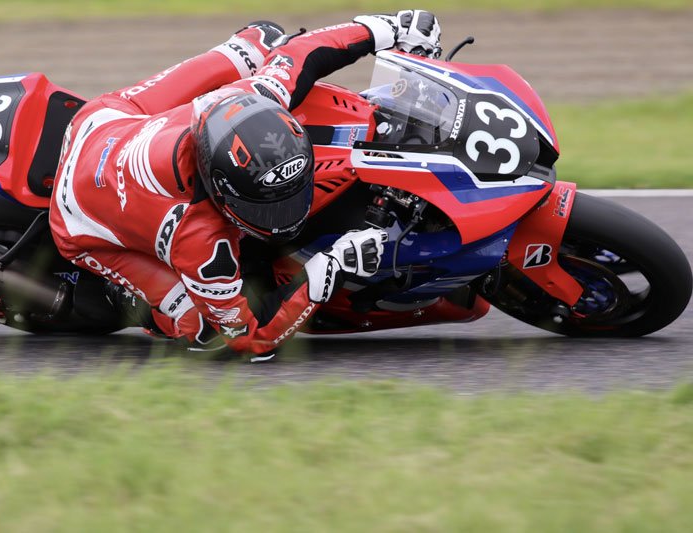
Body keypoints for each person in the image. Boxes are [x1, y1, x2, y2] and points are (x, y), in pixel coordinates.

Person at [49, 10, 442, 360]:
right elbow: (250, 339)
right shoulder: (198, 241)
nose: (287, 217)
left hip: (107, 120)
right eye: (266, 208)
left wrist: (388, 28)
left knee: (265, 41)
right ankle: (129, 299)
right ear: (221, 193)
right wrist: (332, 265)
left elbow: (303, 52)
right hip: (77, 217)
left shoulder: (250, 97)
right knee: (204, 333)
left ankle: (247, 42)